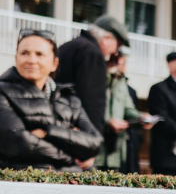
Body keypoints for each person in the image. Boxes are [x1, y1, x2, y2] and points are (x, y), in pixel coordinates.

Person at [0, 29, 102, 170]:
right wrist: (72, 156)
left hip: (70, 184)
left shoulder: (70, 99)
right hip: (23, 184)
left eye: (39, 54)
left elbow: (94, 143)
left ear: (54, 63)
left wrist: (48, 131)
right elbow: (17, 143)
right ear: (16, 58)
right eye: (24, 53)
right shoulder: (2, 92)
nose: (31, 60)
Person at [54, 14, 128, 136]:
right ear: (106, 38)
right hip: (77, 135)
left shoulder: (69, 46)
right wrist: (92, 140)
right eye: (118, 45)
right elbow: (91, 102)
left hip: (60, 127)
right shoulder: (92, 53)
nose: (116, 51)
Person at [97, 48, 147, 172]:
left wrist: (141, 118)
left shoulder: (121, 82)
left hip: (115, 150)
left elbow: (128, 109)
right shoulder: (96, 77)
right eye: (121, 62)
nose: (123, 66)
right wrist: (108, 122)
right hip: (95, 147)